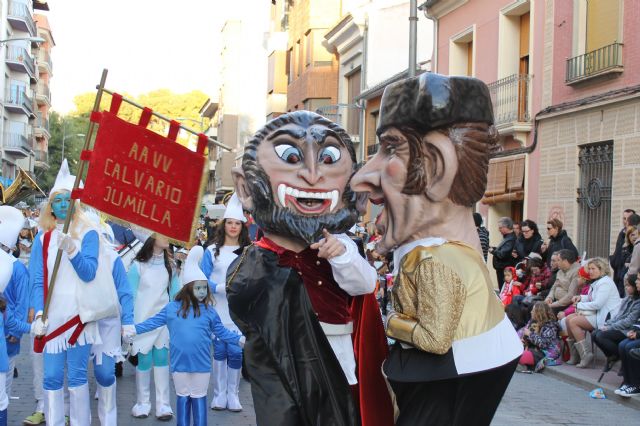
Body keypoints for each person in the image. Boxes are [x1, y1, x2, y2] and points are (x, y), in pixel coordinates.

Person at [351, 73, 522, 425]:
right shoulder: (442, 255)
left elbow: (434, 338)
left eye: (390, 148)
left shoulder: (433, 259)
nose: (362, 177)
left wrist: (392, 323)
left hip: (450, 369)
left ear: (436, 165)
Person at [229, 110, 391, 425]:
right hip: (282, 363)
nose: (313, 174)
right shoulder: (256, 258)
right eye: (290, 156)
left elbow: (364, 284)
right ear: (246, 186)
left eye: (329, 158)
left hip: (337, 353)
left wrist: (340, 254)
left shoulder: (342, 245)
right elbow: (245, 307)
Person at [30, 160, 112, 425]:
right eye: (57, 200)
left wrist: (72, 250)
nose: (63, 204)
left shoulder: (89, 233)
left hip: (79, 317)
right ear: (50, 206)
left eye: (68, 199)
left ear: (76, 203)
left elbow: (88, 272)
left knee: (77, 376)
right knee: (51, 377)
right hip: (52, 319)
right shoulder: (41, 239)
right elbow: (37, 280)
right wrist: (39, 313)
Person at [130, 246, 244, 425]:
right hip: (179, 365)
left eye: (204, 288)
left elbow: (221, 332)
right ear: (187, 288)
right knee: (182, 399)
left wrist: (239, 339)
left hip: (202, 365)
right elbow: (152, 323)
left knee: (199, 399)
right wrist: (134, 329)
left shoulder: (209, 312)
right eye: (198, 288)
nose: (202, 292)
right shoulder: (171, 309)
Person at [199, 194, 251, 412]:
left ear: (242, 226)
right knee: (219, 350)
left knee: (237, 352)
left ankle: (233, 394)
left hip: (239, 312)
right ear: (224, 224)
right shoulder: (211, 251)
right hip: (217, 309)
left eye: (237, 224)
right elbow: (200, 279)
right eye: (229, 223)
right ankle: (219, 394)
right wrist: (219, 288)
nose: (232, 227)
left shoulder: (249, 251)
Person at [85, 213, 135, 425]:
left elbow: (124, 291)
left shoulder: (113, 259)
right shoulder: (73, 255)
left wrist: (128, 321)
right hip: (80, 323)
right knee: (72, 377)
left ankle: (109, 420)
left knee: (105, 374)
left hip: (107, 323)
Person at [128, 230, 180, 420]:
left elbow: (176, 294)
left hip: (163, 321)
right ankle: (142, 403)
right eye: (163, 234)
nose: (168, 237)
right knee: (144, 361)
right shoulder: (137, 266)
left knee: (161, 358)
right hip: (142, 321)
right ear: (151, 238)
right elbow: (130, 295)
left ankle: (163, 405)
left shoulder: (171, 265)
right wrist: (128, 322)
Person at [565, 257, 621, 368]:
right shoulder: (598, 281)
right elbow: (592, 297)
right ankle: (575, 354)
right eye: (589, 268)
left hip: (605, 317)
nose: (590, 271)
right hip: (596, 313)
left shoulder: (605, 283)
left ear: (602, 269)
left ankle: (585, 354)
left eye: (593, 269)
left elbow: (598, 304)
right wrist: (580, 297)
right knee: (568, 319)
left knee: (573, 322)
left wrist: (579, 305)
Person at [0, 207, 31, 402]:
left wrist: (17, 332)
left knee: (5, 385)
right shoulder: (16, 267)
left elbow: (22, 301)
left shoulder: (17, 268)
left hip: (9, 332)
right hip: (10, 330)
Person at [592, 273, 640, 371]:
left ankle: (619, 356)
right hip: (620, 326)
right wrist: (608, 324)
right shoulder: (627, 299)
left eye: (628, 285)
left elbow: (629, 322)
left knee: (601, 335)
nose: (626, 288)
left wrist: (610, 327)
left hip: (627, 330)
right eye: (625, 285)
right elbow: (619, 316)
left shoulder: (638, 303)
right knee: (594, 333)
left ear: (635, 287)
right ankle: (613, 356)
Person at [518, 302, 562, 372]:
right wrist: (520, 339)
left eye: (533, 310)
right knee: (514, 351)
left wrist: (530, 334)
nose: (531, 312)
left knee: (521, 356)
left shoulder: (550, 326)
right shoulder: (532, 322)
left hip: (545, 353)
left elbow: (543, 344)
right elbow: (521, 331)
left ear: (539, 313)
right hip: (532, 349)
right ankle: (523, 364)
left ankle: (523, 364)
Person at [610, 210, 639, 296]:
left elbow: (633, 269)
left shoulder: (637, 245)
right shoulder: (622, 236)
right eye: (624, 218)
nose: (625, 221)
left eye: (627, 219)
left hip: (631, 283)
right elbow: (617, 258)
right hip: (621, 279)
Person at [545, 249, 581, 313]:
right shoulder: (560, 271)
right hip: (555, 301)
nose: (556, 262)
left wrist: (553, 305)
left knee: (544, 312)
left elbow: (571, 295)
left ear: (565, 261)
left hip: (566, 304)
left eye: (558, 260)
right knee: (535, 306)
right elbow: (554, 287)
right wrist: (549, 297)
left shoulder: (577, 272)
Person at [490, 217, 518, 287]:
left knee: (504, 291)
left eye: (500, 228)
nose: (498, 230)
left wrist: (493, 251)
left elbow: (502, 254)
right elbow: (503, 250)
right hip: (502, 269)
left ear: (506, 227)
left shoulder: (511, 239)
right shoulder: (507, 237)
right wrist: (494, 248)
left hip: (505, 270)